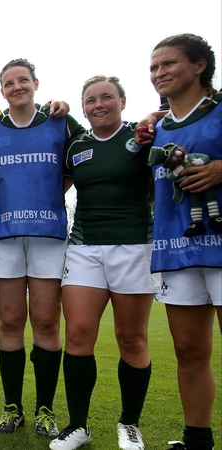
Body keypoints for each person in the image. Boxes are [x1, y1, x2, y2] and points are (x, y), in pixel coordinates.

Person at [0, 58, 85, 438]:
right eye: (9, 83)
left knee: (46, 322)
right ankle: (13, 407)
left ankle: (45, 409)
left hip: (48, 236)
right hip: (3, 235)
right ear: (1, 90)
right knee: (9, 322)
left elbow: (82, 162)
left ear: (36, 83)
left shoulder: (62, 121)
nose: (16, 87)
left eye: (23, 80)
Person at [49, 75, 155, 450]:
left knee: (131, 338)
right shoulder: (76, 145)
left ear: (122, 101)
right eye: (91, 100)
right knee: (78, 334)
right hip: (84, 247)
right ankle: (78, 426)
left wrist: (155, 118)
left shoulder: (142, 136)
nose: (99, 104)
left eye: (107, 97)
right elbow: (54, 185)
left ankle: (129, 425)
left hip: (134, 246)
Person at [147, 34, 221, 450]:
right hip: (176, 248)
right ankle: (197, 441)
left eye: (169, 63)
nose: (159, 73)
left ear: (199, 65)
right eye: (154, 67)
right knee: (189, 351)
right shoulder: (154, 129)